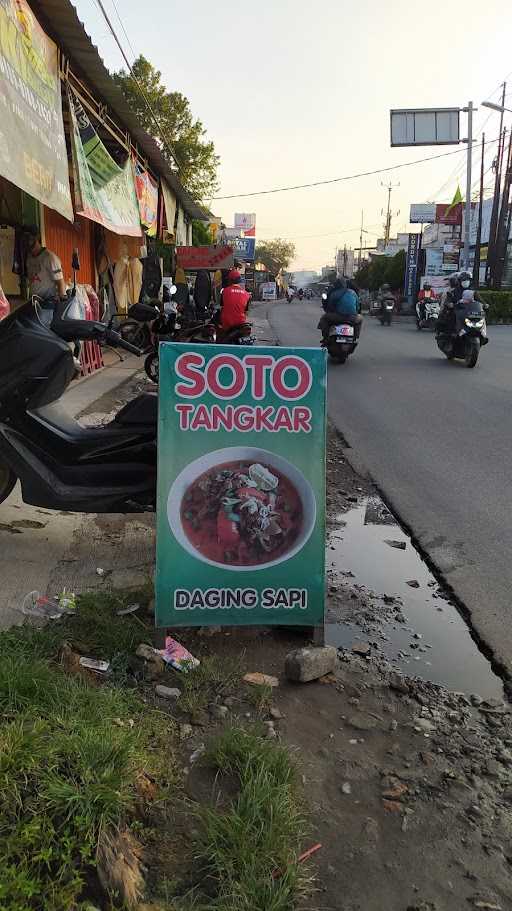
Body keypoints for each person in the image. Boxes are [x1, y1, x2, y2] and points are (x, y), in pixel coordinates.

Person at [25, 225, 66, 326]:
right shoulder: (29, 258)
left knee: (41, 332)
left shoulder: (50, 258)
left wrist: (61, 305)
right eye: (25, 239)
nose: (27, 242)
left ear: (36, 238)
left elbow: (60, 283)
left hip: (47, 305)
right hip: (34, 303)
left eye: (29, 238)